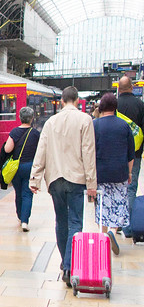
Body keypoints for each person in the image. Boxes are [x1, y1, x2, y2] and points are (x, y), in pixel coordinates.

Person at [29, 86, 97, 287]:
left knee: (61, 221)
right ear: (76, 100)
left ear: (62, 100)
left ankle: (65, 262)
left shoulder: (51, 122)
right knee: (76, 222)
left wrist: (35, 178)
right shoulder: (85, 120)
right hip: (76, 178)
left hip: (55, 179)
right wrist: (92, 184)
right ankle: (69, 266)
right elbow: (89, 154)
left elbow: (41, 151)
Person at [93, 92, 135, 255]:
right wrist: (129, 172)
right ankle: (112, 230)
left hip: (100, 173)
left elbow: (90, 151)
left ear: (102, 107)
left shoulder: (95, 125)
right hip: (120, 172)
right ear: (115, 107)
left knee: (102, 205)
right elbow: (130, 153)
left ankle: (104, 236)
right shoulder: (124, 126)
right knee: (118, 204)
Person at [3, 107, 41, 231]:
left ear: (20, 117)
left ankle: (20, 217)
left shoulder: (14, 132)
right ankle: (25, 221)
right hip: (30, 167)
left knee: (18, 193)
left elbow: (7, 149)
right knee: (27, 194)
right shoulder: (35, 133)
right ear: (31, 119)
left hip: (16, 168)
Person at [116, 75, 144, 239]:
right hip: (135, 155)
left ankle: (118, 223)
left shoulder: (114, 105)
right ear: (132, 87)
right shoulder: (141, 105)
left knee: (117, 189)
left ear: (119, 89)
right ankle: (129, 227)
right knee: (131, 188)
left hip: (116, 154)